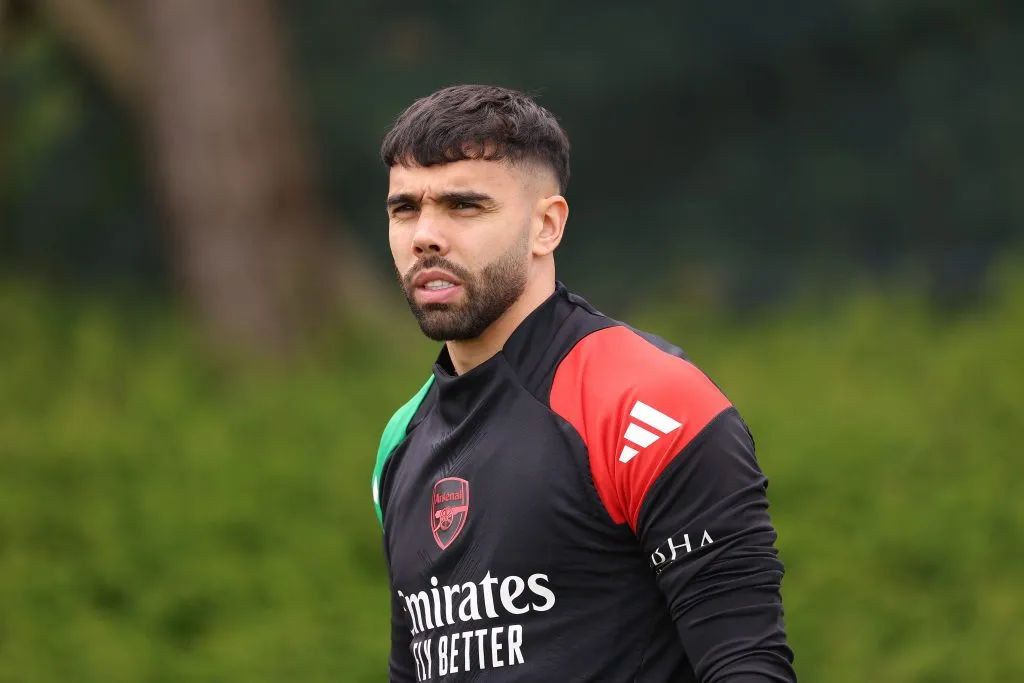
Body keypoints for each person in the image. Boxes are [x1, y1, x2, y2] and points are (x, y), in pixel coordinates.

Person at [372, 84, 797, 682]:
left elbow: (746, 665)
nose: (425, 235)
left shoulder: (646, 401)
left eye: (465, 205)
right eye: (405, 209)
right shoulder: (400, 441)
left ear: (547, 226)